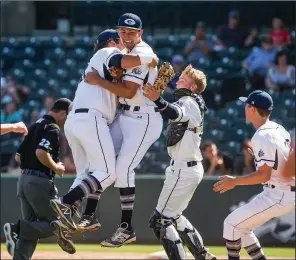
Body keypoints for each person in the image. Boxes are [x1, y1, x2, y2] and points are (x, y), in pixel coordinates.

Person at [49, 29, 158, 236]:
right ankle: (65, 203)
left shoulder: (100, 68)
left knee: (86, 174)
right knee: (107, 173)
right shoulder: (106, 52)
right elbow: (120, 58)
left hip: (75, 121)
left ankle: (69, 220)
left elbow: (119, 87)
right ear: (110, 41)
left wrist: (115, 80)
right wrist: (147, 58)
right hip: (91, 119)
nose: (122, 45)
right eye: (119, 41)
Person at [84, 14, 163, 247]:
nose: (127, 36)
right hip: (126, 115)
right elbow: (123, 92)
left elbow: (128, 92)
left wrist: (99, 81)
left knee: (123, 169)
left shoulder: (144, 52)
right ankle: (88, 215)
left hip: (144, 118)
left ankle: (127, 228)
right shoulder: (126, 55)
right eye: (123, 32)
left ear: (140, 33)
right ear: (118, 32)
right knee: (100, 159)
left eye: (132, 32)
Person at [143, 65, 216, 260]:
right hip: (187, 167)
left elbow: (175, 113)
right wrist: (155, 97)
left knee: (160, 221)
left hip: (184, 169)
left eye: (183, 78)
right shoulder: (190, 101)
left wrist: (157, 98)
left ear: (193, 87)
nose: (178, 79)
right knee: (174, 217)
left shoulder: (189, 101)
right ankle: (202, 255)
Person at [213, 90, 295, 260]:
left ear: (253, 109)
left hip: (279, 192)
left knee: (231, 224)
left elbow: (264, 175)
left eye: (247, 105)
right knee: (240, 228)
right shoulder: (279, 128)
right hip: (282, 190)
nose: (245, 108)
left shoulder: (263, 135)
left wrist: (234, 181)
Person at [3, 98, 75, 260]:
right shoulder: (52, 128)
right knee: (57, 224)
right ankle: (16, 229)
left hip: (23, 180)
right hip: (39, 181)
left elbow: (18, 157)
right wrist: (56, 167)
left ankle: (20, 254)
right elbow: (41, 153)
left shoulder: (35, 125)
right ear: (63, 113)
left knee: (32, 227)